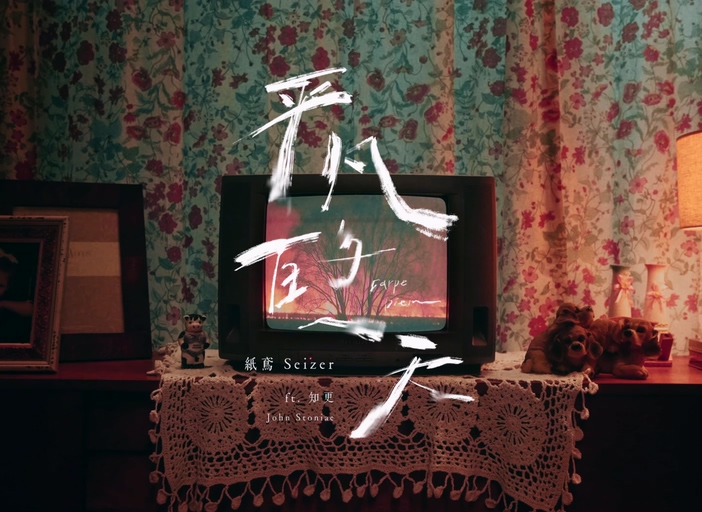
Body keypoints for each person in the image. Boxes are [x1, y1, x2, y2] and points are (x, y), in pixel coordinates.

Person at [0, 248, 34, 343]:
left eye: (0, 286)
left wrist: (3, 304)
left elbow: (33, 310)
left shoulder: (10, 299)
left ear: (8, 286)